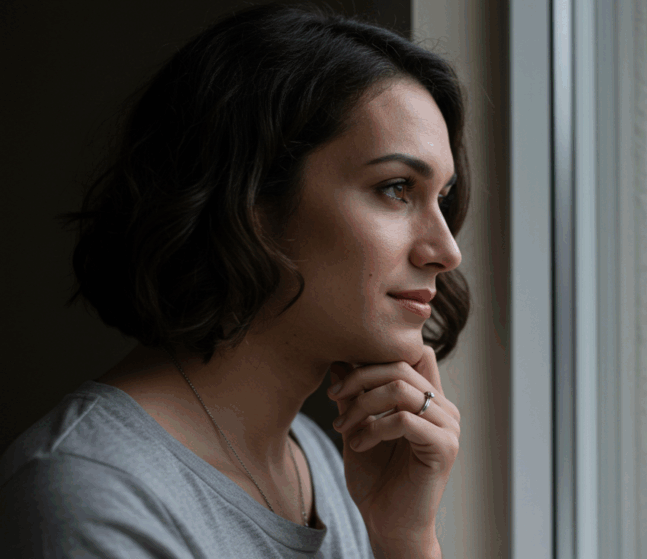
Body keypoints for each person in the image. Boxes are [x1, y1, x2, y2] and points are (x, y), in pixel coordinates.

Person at [0, 4, 468, 558]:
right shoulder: (90, 492)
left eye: (441, 199)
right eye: (396, 188)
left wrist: (405, 538)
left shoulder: (318, 461)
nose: (447, 252)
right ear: (251, 200)